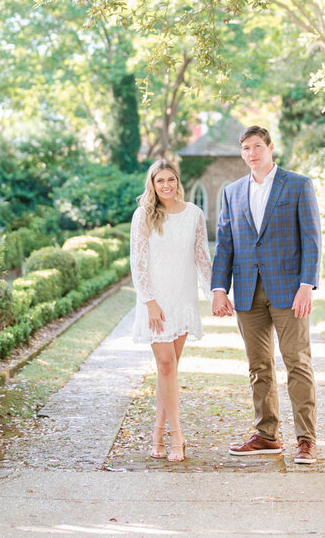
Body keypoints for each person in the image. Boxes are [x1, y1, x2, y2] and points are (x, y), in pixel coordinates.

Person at [211, 125, 322, 464]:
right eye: (245, 148)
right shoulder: (232, 192)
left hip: (289, 292)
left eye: (257, 146)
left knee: (297, 364)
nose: (251, 153)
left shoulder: (298, 185)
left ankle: (306, 440)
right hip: (247, 292)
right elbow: (225, 245)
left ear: (271, 147)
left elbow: (312, 238)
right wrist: (219, 289)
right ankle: (267, 436)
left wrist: (307, 284)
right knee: (258, 366)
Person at [130, 158, 212, 462]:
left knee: (170, 370)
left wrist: (215, 292)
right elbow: (138, 262)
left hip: (183, 299)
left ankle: (157, 432)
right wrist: (149, 301)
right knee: (165, 365)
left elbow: (202, 257)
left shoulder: (194, 215)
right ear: (152, 184)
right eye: (159, 180)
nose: (166, 185)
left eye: (171, 180)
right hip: (155, 303)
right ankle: (177, 435)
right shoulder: (144, 216)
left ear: (178, 182)